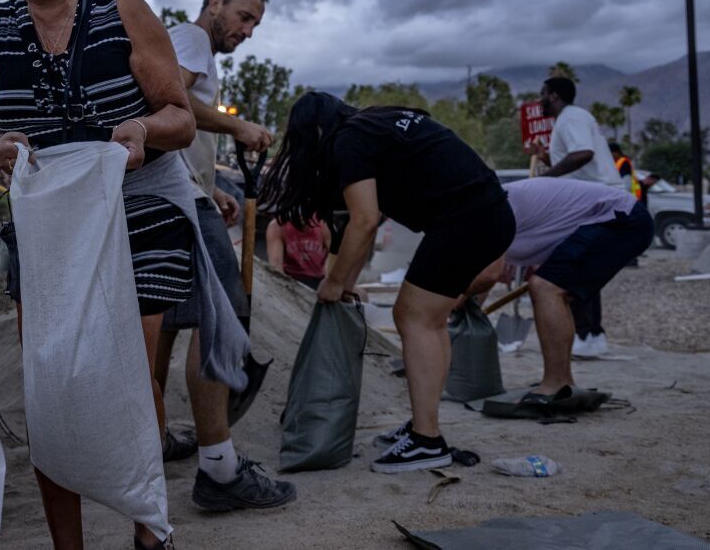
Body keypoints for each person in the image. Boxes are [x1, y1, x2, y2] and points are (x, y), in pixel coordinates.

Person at [0, 0, 230, 549]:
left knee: (129, 377)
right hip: (50, 219)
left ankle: (148, 533)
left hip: (138, 205)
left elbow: (179, 117)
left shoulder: (123, 10)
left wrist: (141, 130)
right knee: (54, 387)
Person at [260, 92, 513, 473]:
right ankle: (423, 427)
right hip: (484, 213)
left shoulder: (347, 141)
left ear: (312, 129)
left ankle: (427, 440)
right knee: (429, 320)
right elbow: (367, 224)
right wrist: (345, 278)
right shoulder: (372, 126)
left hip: (467, 218)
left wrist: (334, 282)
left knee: (413, 317)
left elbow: (364, 220)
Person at [153, 0, 296, 511]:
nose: (249, 30)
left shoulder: (181, 45)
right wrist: (237, 129)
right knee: (224, 316)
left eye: (255, 23)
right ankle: (219, 469)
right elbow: (175, 102)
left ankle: (156, 436)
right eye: (244, 16)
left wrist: (210, 187)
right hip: (176, 198)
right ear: (213, 3)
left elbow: (175, 124)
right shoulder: (190, 38)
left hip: (176, 193)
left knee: (165, 320)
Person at [487, 178, 653, 401]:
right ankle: (561, 381)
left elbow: (483, 277)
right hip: (609, 218)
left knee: (547, 288)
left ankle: (558, 384)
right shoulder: (483, 208)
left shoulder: (487, 211)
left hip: (618, 218)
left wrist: (443, 312)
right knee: (549, 287)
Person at [534, 76, 622, 358]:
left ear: (555, 96)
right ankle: (594, 335)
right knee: (586, 269)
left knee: (571, 268)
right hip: (597, 199)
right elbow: (574, 158)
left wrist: (545, 179)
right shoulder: (574, 118)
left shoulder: (570, 118)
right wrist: (545, 157)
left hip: (591, 200)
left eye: (543, 94)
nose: (540, 100)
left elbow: (583, 154)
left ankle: (584, 334)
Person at [266, 215, 330, 291]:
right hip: (291, 278)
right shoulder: (277, 226)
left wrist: (329, 279)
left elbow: (334, 255)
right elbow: (276, 266)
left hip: (319, 279)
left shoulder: (323, 224)